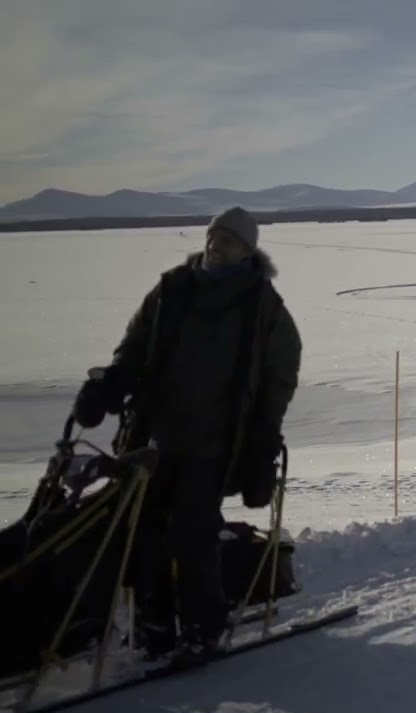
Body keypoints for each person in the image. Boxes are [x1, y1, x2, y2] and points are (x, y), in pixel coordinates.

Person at [72, 206, 302, 662]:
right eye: (213, 238)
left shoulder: (264, 306)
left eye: (228, 242)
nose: (217, 247)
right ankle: (154, 626)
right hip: (155, 434)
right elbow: (134, 346)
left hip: (217, 440)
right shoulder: (173, 288)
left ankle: (203, 628)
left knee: (193, 531)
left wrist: (263, 440)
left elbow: (279, 376)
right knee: (143, 528)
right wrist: (108, 386)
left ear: (247, 250)